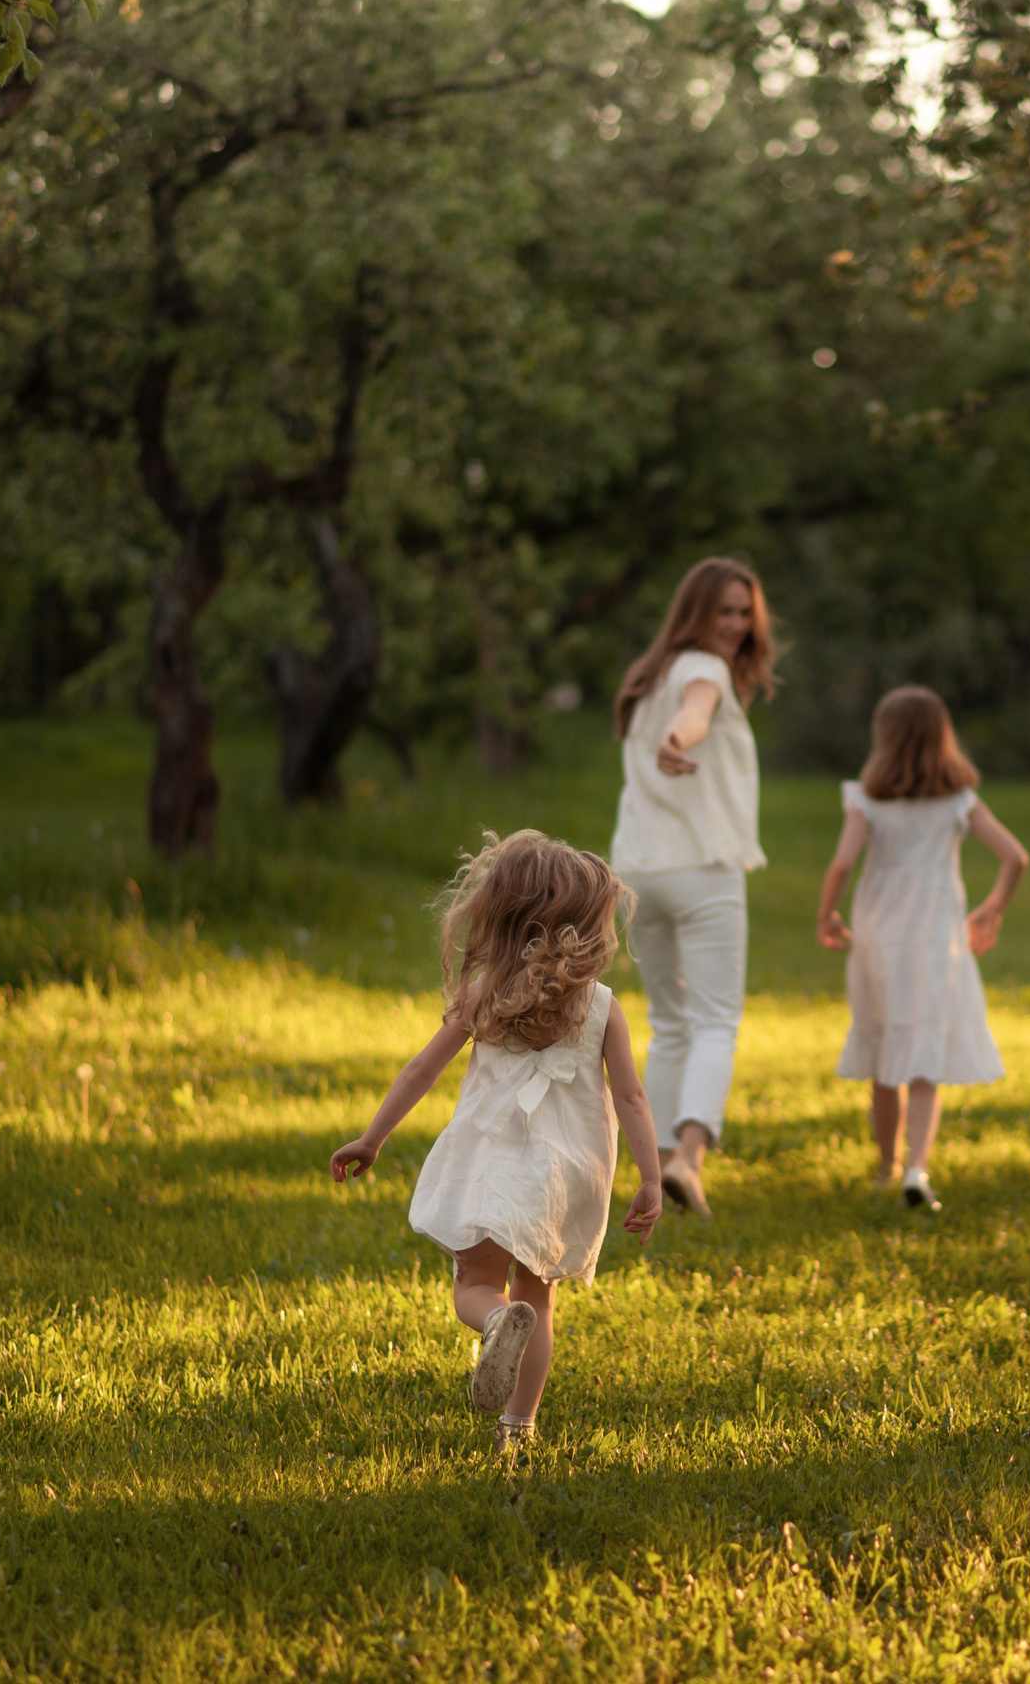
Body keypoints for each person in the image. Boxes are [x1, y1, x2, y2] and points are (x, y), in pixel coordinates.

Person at [328, 831, 662, 1450]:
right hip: (566, 1172)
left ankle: (493, 1318)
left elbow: (421, 1070)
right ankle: (519, 1426)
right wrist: (650, 1176)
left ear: (502, 918)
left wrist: (373, 1138)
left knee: (476, 1286)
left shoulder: (482, 994)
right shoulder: (603, 1007)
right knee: (541, 1300)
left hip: (491, 1161)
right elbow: (632, 1098)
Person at [609, 558, 779, 1220]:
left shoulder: (646, 678)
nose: (737, 626)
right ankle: (688, 1161)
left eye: (746, 613)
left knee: (671, 1023)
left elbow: (686, 711)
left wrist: (673, 736)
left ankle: (652, 1177)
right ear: (696, 613)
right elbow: (697, 711)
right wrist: (681, 738)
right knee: (714, 1022)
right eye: (725, 612)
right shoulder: (701, 672)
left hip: (638, 873)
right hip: (702, 868)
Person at [817, 686, 1030, 1213]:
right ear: (944, 739)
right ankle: (918, 1168)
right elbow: (1015, 858)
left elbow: (843, 863)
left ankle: (886, 1169)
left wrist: (826, 913)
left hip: (879, 942)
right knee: (924, 1060)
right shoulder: (959, 802)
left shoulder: (866, 800)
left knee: (886, 1055)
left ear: (883, 739)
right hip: (937, 943)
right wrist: (992, 908)